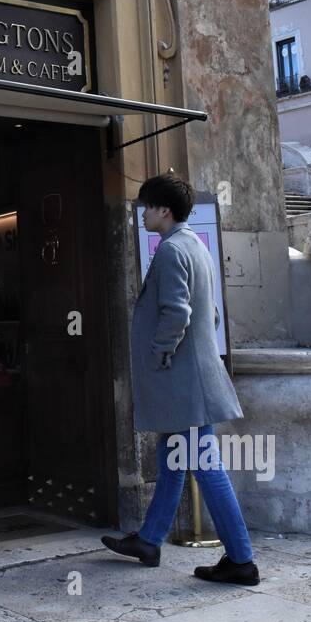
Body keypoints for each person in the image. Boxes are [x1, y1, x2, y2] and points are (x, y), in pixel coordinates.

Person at [101, 173, 259, 585]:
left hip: (183, 380)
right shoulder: (194, 246)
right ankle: (149, 540)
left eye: (146, 206)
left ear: (163, 210)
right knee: (172, 461)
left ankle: (242, 560)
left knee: (206, 466)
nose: (141, 213)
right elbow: (212, 314)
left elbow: (177, 313)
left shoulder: (172, 251)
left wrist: (158, 354)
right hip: (191, 379)